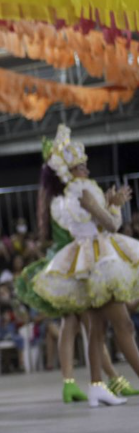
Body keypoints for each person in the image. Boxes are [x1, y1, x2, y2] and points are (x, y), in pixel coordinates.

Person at [16, 129, 138, 402]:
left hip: (78, 261)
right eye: (79, 164)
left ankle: (96, 384)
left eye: (84, 163)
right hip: (92, 260)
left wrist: (108, 205)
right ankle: (95, 382)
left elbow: (98, 222)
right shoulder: (80, 193)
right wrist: (106, 207)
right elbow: (110, 225)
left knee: (94, 327)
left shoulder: (63, 198)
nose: (85, 167)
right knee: (117, 325)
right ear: (67, 170)